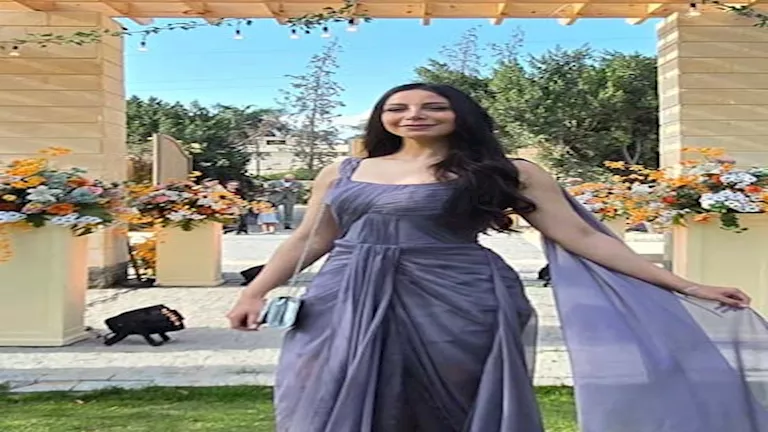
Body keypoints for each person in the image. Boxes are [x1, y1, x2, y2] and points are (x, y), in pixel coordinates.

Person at [227, 83, 768, 431]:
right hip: (343, 295)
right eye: (398, 108)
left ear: (461, 115)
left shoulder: (508, 171)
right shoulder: (343, 170)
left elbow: (584, 238)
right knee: (320, 388)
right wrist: (255, 291)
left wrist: (685, 285)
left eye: (432, 106)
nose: (414, 115)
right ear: (381, 118)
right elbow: (309, 239)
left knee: (455, 400)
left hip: (458, 298)